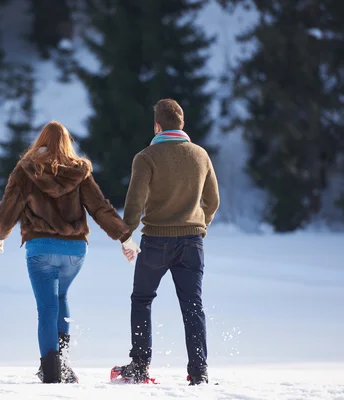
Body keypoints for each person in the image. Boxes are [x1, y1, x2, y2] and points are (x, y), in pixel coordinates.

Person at [0, 121, 130, 384]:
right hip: (75, 251)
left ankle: (52, 373)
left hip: (41, 249)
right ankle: (62, 365)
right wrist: (124, 235)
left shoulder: (25, 170)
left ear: (39, 141)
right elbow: (99, 208)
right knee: (61, 296)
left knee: (46, 308)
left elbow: (9, 209)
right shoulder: (79, 172)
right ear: (67, 143)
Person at [117, 99, 220, 385]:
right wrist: (201, 226)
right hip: (192, 243)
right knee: (193, 306)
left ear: (157, 125)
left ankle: (139, 366)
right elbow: (213, 200)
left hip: (156, 242)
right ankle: (199, 372)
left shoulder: (146, 156)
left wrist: (127, 236)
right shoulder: (200, 156)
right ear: (182, 124)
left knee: (142, 300)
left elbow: (135, 202)